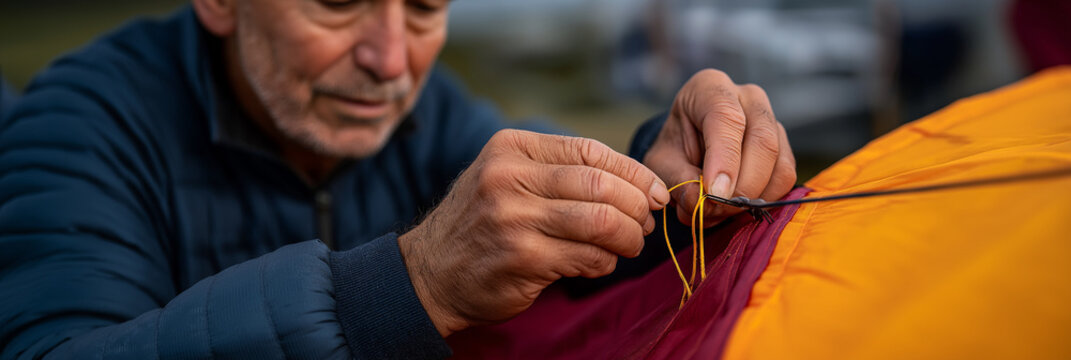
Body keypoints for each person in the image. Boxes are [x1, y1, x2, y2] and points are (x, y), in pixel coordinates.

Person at [0, 0, 795, 358]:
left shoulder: (428, 109)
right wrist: (410, 284)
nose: (390, 59)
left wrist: (665, 193)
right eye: (338, 3)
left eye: (422, 7)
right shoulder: (79, 124)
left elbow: (538, 223)